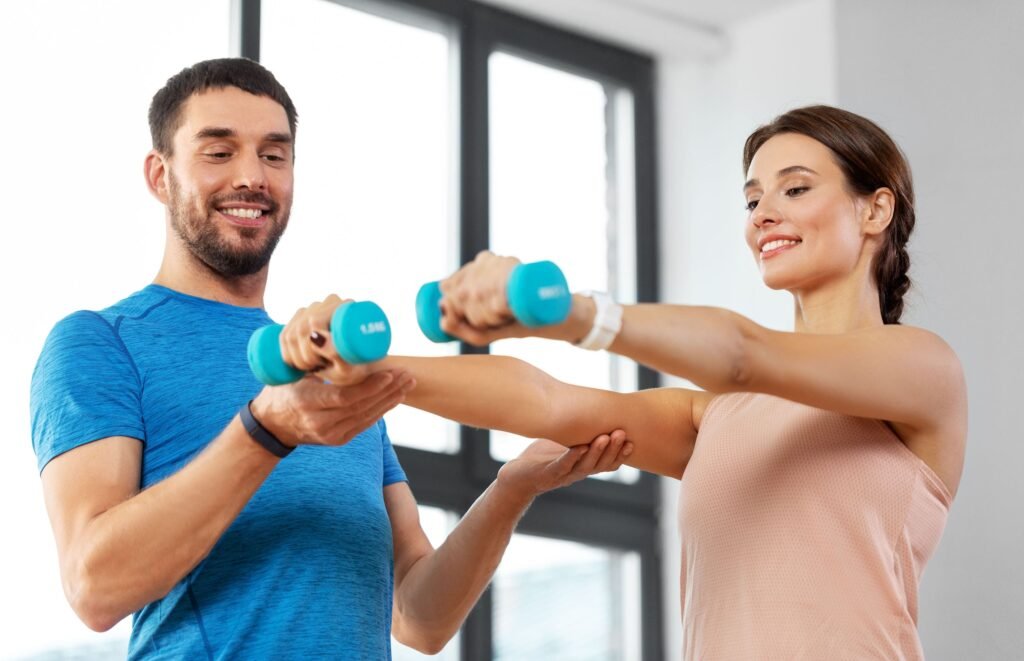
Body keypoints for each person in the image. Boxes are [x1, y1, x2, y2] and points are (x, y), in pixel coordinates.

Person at [283, 105, 968, 659]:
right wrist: (373, 374)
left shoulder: (919, 370)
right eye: (753, 197)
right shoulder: (719, 414)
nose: (762, 214)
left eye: (794, 188)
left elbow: (742, 350)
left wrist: (573, 313)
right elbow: (550, 401)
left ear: (875, 210)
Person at [29, 57, 632, 660]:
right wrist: (265, 431)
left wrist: (512, 490)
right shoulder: (101, 343)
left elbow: (418, 618)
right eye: (218, 152)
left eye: (273, 154)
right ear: (160, 176)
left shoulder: (325, 372)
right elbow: (95, 586)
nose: (252, 177)